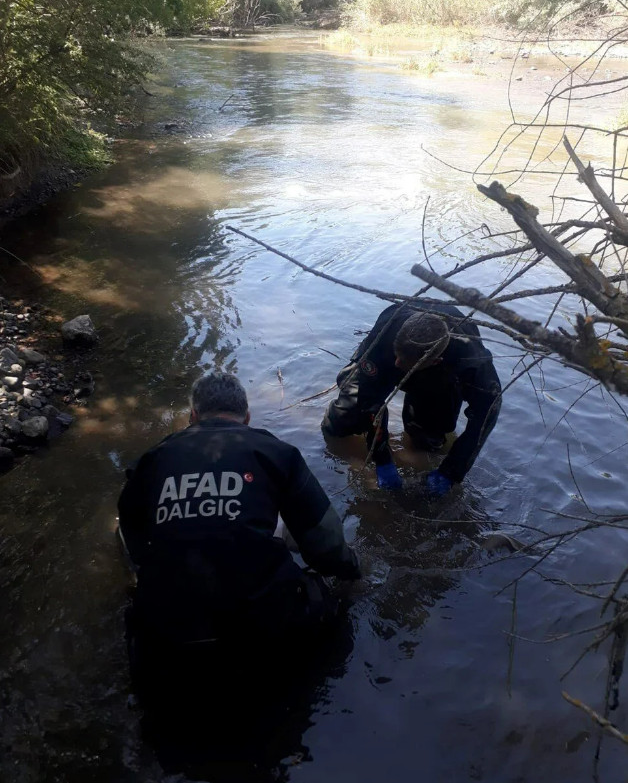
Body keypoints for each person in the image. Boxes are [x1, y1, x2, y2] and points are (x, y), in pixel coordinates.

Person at [118, 371, 360, 758]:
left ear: (192, 416)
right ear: (247, 417)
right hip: (262, 627)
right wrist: (352, 571)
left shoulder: (152, 459)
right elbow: (325, 543)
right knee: (328, 598)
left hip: (171, 636)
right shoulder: (277, 453)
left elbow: (132, 537)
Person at [322, 299, 501, 494]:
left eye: (403, 362)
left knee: (429, 442)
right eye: (397, 357)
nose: (398, 363)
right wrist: (381, 458)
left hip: (439, 378)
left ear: (435, 360)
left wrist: (451, 471)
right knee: (344, 420)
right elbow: (370, 399)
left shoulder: (471, 361)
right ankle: (339, 412)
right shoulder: (388, 329)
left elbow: (486, 414)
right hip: (381, 360)